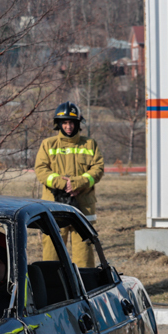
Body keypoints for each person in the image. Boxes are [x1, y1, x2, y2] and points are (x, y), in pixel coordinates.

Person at [34, 101, 104, 267]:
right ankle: (53, 286)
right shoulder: (48, 144)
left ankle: (85, 286)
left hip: (83, 206)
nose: (68, 126)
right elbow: (41, 170)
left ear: (78, 123)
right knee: (52, 249)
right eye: (64, 122)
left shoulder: (90, 144)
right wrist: (62, 184)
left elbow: (98, 169)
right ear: (58, 124)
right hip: (53, 205)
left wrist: (79, 183)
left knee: (84, 252)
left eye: (72, 122)